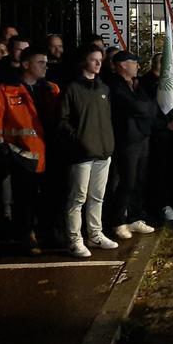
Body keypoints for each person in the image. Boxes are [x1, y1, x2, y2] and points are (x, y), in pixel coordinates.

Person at [0, 46, 60, 255]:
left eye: (46, 62)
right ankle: (27, 235)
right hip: (20, 153)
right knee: (24, 197)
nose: (45, 66)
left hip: (48, 151)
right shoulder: (7, 89)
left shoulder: (51, 89)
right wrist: (3, 148)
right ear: (26, 65)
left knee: (49, 194)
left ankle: (47, 231)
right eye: (40, 62)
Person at [58, 45, 118, 258]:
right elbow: (63, 120)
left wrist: (108, 143)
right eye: (94, 59)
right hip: (82, 153)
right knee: (78, 197)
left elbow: (107, 118)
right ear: (84, 61)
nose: (98, 63)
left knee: (97, 196)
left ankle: (95, 233)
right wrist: (79, 140)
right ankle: (74, 239)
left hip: (102, 151)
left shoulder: (103, 87)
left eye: (100, 59)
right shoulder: (73, 88)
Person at [108, 51, 158, 239]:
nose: (137, 66)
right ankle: (118, 220)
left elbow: (151, 107)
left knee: (139, 180)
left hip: (142, 137)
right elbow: (139, 107)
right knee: (127, 181)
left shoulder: (136, 85)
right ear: (122, 65)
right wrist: (143, 107)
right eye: (134, 62)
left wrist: (143, 107)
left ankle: (135, 216)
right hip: (127, 140)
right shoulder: (115, 85)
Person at [139, 53, 173, 222]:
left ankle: (171, 201)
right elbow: (148, 112)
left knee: (170, 170)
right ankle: (158, 206)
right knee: (157, 172)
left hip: (171, 137)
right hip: (155, 137)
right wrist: (165, 125)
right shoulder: (146, 84)